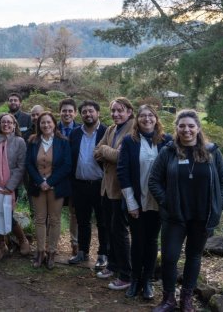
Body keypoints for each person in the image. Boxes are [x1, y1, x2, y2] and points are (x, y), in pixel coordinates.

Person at [149, 110, 223, 312]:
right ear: (176, 128)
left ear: (198, 128)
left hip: (202, 217)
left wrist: (219, 205)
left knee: (194, 257)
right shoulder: (168, 151)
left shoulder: (212, 152)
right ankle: (168, 299)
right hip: (175, 216)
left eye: (191, 126)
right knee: (169, 257)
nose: (186, 130)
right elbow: (154, 180)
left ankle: (186, 300)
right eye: (182, 126)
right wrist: (166, 201)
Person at [117, 104, 172, 299]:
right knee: (138, 242)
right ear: (137, 120)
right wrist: (131, 202)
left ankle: (147, 281)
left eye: (151, 116)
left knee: (151, 242)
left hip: (158, 202)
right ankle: (135, 280)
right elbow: (122, 173)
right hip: (136, 202)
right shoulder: (129, 141)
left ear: (156, 119)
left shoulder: (167, 141)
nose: (147, 119)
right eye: (143, 116)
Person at [93, 97, 134, 290]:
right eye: (113, 111)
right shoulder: (110, 129)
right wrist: (106, 151)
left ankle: (126, 274)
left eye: (120, 110)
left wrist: (105, 150)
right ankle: (113, 265)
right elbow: (96, 152)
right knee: (109, 229)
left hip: (121, 190)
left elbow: (119, 156)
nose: (116, 114)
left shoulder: (133, 129)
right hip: (107, 188)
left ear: (129, 111)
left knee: (119, 232)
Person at [0, 113, 30, 261]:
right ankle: (1, 246)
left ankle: (22, 240)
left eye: (9, 122)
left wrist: (10, 186)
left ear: (14, 125)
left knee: (7, 214)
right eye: (3, 122)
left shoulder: (19, 142)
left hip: (10, 186)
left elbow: (21, 167)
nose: (6, 124)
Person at [26, 112, 71, 269]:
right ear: (39, 125)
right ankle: (40, 252)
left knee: (54, 219)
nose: (46, 125)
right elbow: (29, 164)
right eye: (42, 123)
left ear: (54, 124)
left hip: (56, 186)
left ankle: (52, 252)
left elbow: (67, 165)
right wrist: (40, 182)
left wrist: (50, 181)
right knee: (39, 219)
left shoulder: (63, 142)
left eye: (49, 122)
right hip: (38, 186)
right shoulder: (33, 141)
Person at [68, 100, 108, 270]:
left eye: (91, 111)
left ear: (97, 112)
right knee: (82, 220)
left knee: (102, 221)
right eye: (84, 112)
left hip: (100, 184)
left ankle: (103, 254)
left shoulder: (107, 132)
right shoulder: (75, 133)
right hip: (80, 184)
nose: (88, 114)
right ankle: (83, 251)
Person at [58, 98, 79, 256]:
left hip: (75, 177)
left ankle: (75, 243)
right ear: (59, 112)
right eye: (64, 110)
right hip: (56, 177)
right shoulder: (52, 128)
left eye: (70, 111)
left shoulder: (81, 129)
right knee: (55, 212)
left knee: (74, 212)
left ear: (75, 113)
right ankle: (53, 244)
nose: (67, 113)